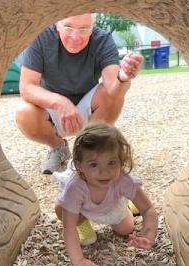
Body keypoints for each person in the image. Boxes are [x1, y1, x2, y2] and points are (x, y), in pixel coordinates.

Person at [16, 13, 143, 174]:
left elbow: (114, 89)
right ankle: (58, 147)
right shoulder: (41, 37)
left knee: (113, 97)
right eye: (68, 27)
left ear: (92, 28)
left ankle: (87, 149)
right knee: (24, 113)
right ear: (57, 23)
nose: (75, 37)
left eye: (84, 29)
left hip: (87, 107)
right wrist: (61, 102)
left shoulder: (102, 40)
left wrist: (123, 77)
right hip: (52, 110)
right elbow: (26, 87)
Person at [53, 122, 158, 266]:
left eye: (111, 162)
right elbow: (68, 228)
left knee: (126, 229)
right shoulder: (75, 187)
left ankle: (129, 203)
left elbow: (148, 210)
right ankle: (83, 224)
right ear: (79, 166)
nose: (104, 172)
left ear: (121, 161)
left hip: (111, 206)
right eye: (94, 164)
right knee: (60, 209)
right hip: (83, 207)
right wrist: (79, 262)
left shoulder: (123, 181)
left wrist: (148, 234)